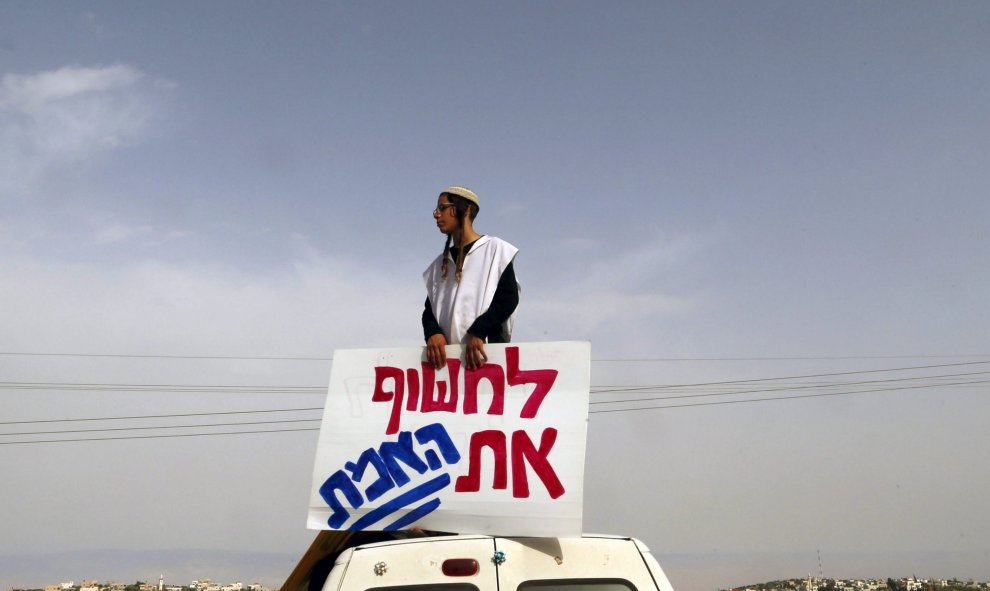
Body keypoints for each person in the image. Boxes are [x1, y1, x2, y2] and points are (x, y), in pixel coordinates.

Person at [422, 186, 519, 371]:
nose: (436, 214)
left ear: (465, 209)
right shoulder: (439, 265)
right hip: (448, 366)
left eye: (442, 208)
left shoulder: (496, 250)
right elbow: (429, 310)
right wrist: (433, 333)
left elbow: (508, 299)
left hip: (486, 357)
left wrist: (479, 331)